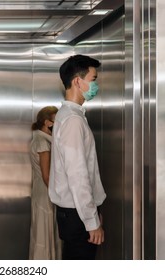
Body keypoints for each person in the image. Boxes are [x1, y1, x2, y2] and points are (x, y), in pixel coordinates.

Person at [49, 54, 106, 260]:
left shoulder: (69, 116)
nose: (95, 85)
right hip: (77, 215)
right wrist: (91, 222)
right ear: (77, 81)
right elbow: (78, 175)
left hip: (75, 212)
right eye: (93, 79)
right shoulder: (73, 121)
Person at [29, 106, 62, 260]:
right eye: (56, 121)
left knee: (41, 234)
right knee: (45, 235)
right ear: (48, 123)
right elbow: (47, 176)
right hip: (46, 194)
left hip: (40, 192)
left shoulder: (38, 139)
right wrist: (61, 198)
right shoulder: (43, 142)